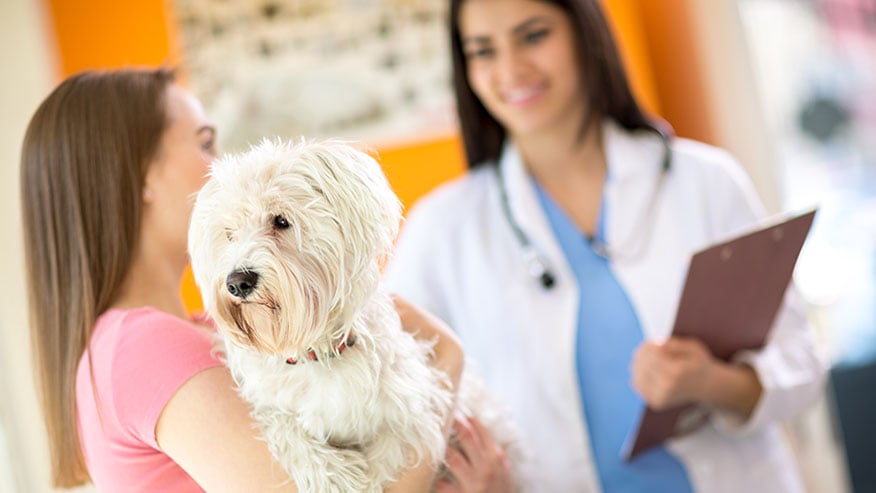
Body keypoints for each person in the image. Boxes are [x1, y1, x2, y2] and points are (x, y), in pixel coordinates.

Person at [384, 0, 827, 491]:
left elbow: (801, 364)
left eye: (533, 36)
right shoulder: (442, 229)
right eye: (483, 50)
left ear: (585, 33)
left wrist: (709, 383)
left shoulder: (703, 181)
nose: (510, 69)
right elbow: (382, 404)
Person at [20, 67, 466, 491]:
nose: (225, 162)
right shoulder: (146, 347)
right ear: (140, 173)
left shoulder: (200, 332)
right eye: (206, 143)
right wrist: (447, 360)